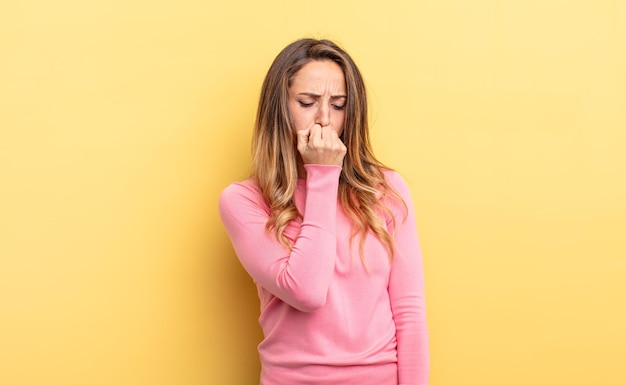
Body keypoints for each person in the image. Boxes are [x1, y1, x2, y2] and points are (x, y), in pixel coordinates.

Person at [219, 38, 429, 385]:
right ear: (279, 108)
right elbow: (307, 291)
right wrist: (322, 174)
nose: (324, 119)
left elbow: (409, 314)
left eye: (338, 105)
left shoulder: (388, 190)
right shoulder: (243, 201)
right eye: (307, 102)